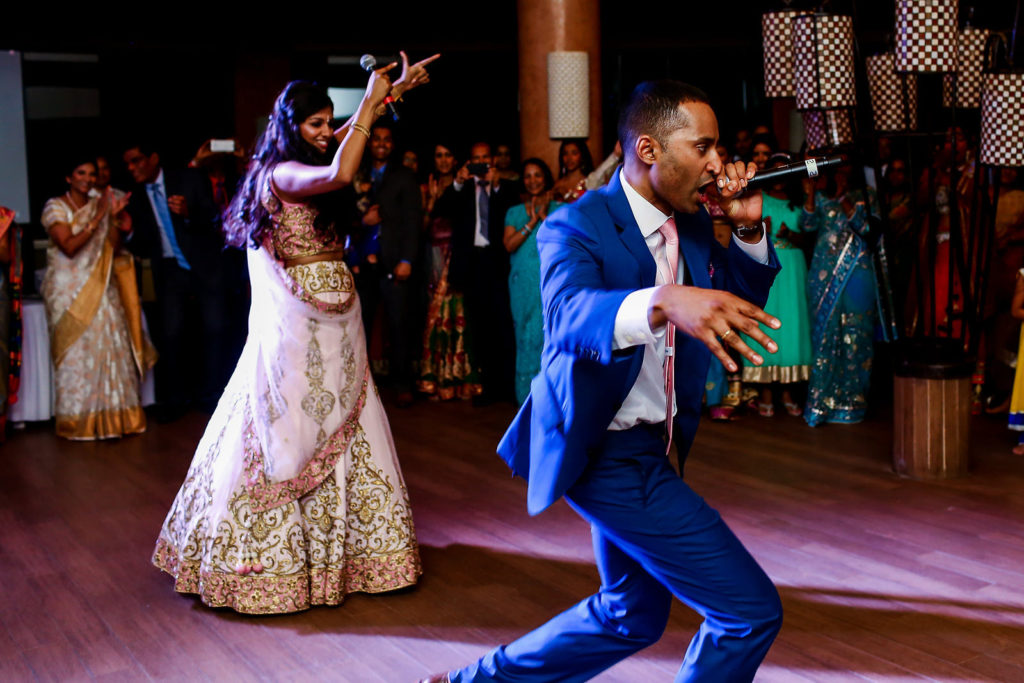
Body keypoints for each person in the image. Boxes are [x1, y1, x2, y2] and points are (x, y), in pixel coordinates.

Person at [423, 80, 782, 683]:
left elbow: (734, 305)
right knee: (747, 612)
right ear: (648, 149)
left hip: (657, 444)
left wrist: (744, 229)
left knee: (630, 615)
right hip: (605, 450)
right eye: (704, 147)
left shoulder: (691, 223)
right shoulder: (574, 224)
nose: (719, 163)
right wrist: (665, 299)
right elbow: (567, 318)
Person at [153, 51, 438, 614]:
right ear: (289, 128)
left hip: (335, 322)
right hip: (299, 327)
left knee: (345, 414)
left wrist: (387, 98)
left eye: (331, 121)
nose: (327, 132)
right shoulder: (280, 173)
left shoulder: (300, 160)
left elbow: (340, 158)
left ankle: (354, 553)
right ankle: (277, 559)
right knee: (293, 423)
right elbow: (341, 173)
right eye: (315, 124)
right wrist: (372, 100)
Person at [39, 155, 155, 440]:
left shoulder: (102, 203)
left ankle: (118, 419)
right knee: (77, 356)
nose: (88, 179)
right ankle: (78, 422)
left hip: (103, 284)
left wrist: (113, 218)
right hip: (69, 290)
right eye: (81, 173)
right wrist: (100, 217)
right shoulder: (55, 207)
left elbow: (113, 249)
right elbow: (68, 246)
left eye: (92, 174)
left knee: (112, 346)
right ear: (69, 177)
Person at [122, 138, 230, 418]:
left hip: (205, 264)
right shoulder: (134, 198)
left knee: (215, 330)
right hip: (170, 270)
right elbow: (143, 243)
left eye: (136, 160)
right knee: (171, 334)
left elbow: (215, 217)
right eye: (128, 163)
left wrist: (188, 213)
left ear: (153, 158)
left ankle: (215, 396)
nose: (132, 168)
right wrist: (130, 231)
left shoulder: (190, 178)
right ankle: (176, 400)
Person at [801, 161, 879, 426]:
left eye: (845, 169)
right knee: (825, 334)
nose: (840, 175)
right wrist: (811, 193)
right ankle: (821, 404)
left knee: (856, 335)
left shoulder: (867, 196)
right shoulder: (822, 197)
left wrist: (844, 198)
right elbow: (807, 225)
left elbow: (867, 229)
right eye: (836, 171)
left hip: (857, 273)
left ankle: (851, 404)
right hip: (824, 275)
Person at [351, 121, 422, 406]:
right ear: (369, 143)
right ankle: (361, 387)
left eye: (386, 139)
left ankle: (403, 383)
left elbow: (413, 222)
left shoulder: (405, 176)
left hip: (395, 263)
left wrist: (407, 259)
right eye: (376, 139)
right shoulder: (356, 172)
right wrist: (361, 222)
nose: (381, 143)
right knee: (361, 326)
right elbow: (345, 216)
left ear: (392, 144)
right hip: (363, 264)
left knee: (399, 324)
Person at [444, 141, 519, 404]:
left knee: (502, 323)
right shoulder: (463, 189)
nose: (481, 162)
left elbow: (512, 210)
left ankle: (507, 385)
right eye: (475, 158)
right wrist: (457, 181)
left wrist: (496, 185)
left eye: (485, 157)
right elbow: (443, 208)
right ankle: (486, 386)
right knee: (479, 326)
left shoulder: (505, 187)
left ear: (493, 160)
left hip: (498, 261)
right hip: (472, 263)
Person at [742, 152, 812, 417]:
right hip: (767, 265)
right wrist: (761, 230)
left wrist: (790, 235)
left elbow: (811, 238)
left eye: (786, 171)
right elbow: (743, 235)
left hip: (793, 268)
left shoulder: (799, 202)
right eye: (776, 171)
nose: (781, 177)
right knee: (767, 321)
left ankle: (787, 391)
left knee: (792, 326)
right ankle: (766, 391)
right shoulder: (758, 198)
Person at [418, 142, 483, 400]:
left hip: (455, 255)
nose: (443, 160)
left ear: (456, 159)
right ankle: (434, 377)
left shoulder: (466, 185)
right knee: (433, 316)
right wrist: (431, 201)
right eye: (438, 155)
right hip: (433, 255)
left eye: (448, 155)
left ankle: (459, 377)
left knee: (458, 313)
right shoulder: (425, 186)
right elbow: (422, 227)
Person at [502, 158, 561, 405]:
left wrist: (545, 215)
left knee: (547, 337)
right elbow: (509, 244)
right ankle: (526, 401)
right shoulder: (514, 212)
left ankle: (550, 400)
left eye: (538, 175)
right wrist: (532, 220)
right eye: (528, 176)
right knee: (525, 339)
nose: (533, 180)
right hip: (521, 285)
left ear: (545, 178)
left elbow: (564, 242)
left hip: (550, 285)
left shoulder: (560, 208)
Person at [551, 138, 594, 203]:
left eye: (574, 153)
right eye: (565, 153)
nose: (569, 158)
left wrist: (565, 195)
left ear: (582, 156)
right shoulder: (558, 185)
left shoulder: (589, 182)